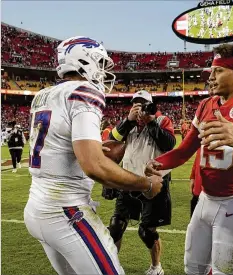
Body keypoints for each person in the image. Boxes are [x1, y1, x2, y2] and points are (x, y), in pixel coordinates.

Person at [24, 36, 163, 275]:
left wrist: (97, 148)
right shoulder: (83, 91)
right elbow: (94, 166)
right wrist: (146, 183)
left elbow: (68, 147)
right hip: (66, 211)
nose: (103, 70)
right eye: (99, 62)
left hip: (36, 206)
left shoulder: (43, 95)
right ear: (83, 60)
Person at [146, 44, 233, 275]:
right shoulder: (206, 105)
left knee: (226, 271)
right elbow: (184, 150)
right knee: (193, 267)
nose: (210, 78)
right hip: (205, 200)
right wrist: (158, 163)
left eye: (217, 71)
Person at [106, 90, 176, 275]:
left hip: (153, 183)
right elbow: (111, 142)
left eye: (143, 104)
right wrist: (128, 121)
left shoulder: (162, 120)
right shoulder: (127, 123)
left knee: (147, 231)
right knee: (116, 226)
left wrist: (150, 121)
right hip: (127, 180)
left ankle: (156, 267)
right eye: (135, 104)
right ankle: (112, 266)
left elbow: (169, 144)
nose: (139, 107)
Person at [189, 148, 202, 217]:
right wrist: (193, 177)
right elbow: (198, 157)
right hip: (198, 191)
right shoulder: (203, 138)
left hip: (220, 196)